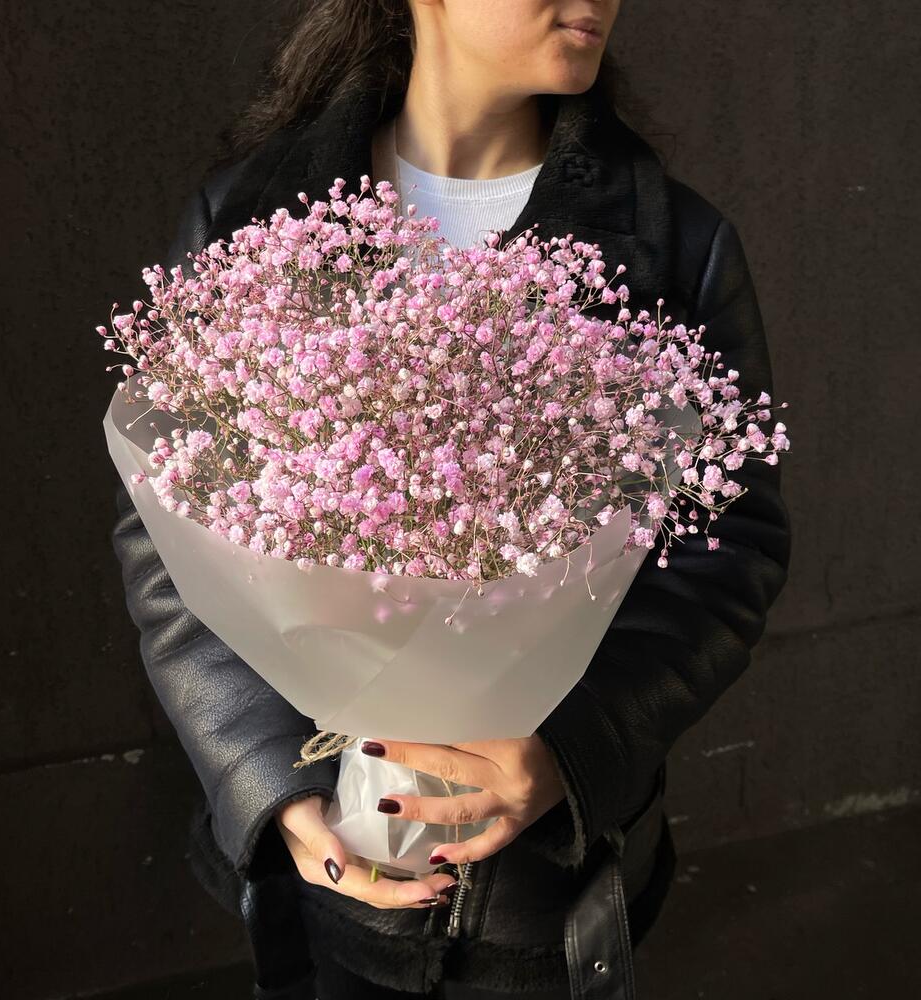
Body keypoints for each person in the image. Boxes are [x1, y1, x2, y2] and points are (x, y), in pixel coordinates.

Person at [109, 1, 792, 998]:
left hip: (544, 902)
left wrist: (571, 751)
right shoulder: (255, 214)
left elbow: (729, 550)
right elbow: (168, 531)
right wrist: (273, 782)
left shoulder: (670, 242)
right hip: (331, 881)